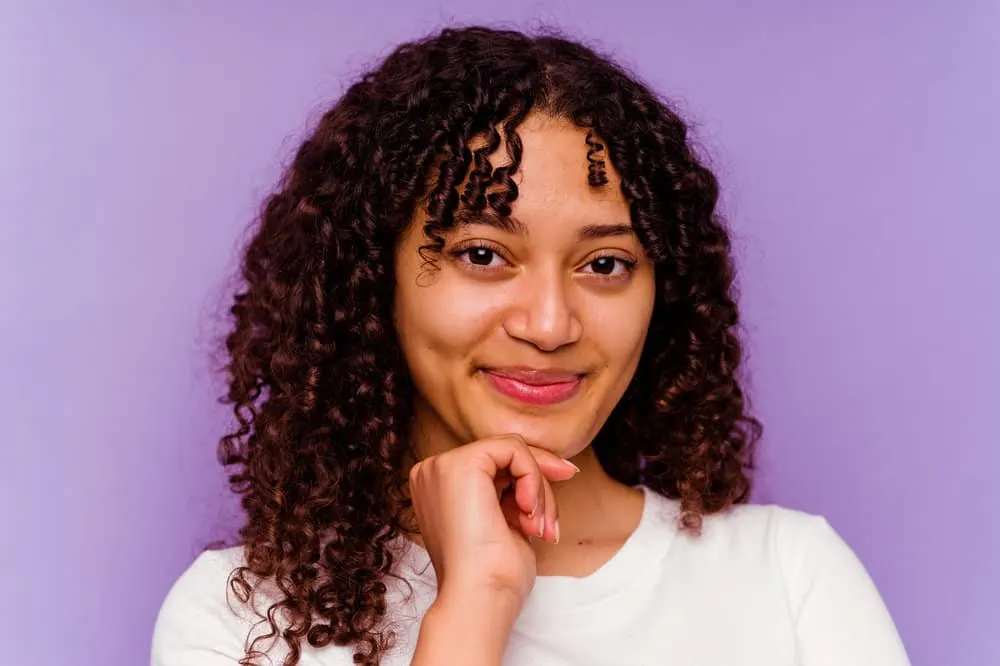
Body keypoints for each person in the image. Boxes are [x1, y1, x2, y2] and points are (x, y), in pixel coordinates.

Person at [151, 25, 910, 666]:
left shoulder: (788, 576)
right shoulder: (241, 621)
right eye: (483, 254)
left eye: (604, 265)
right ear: (370, 277)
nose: (550, 326)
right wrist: (473, 610)